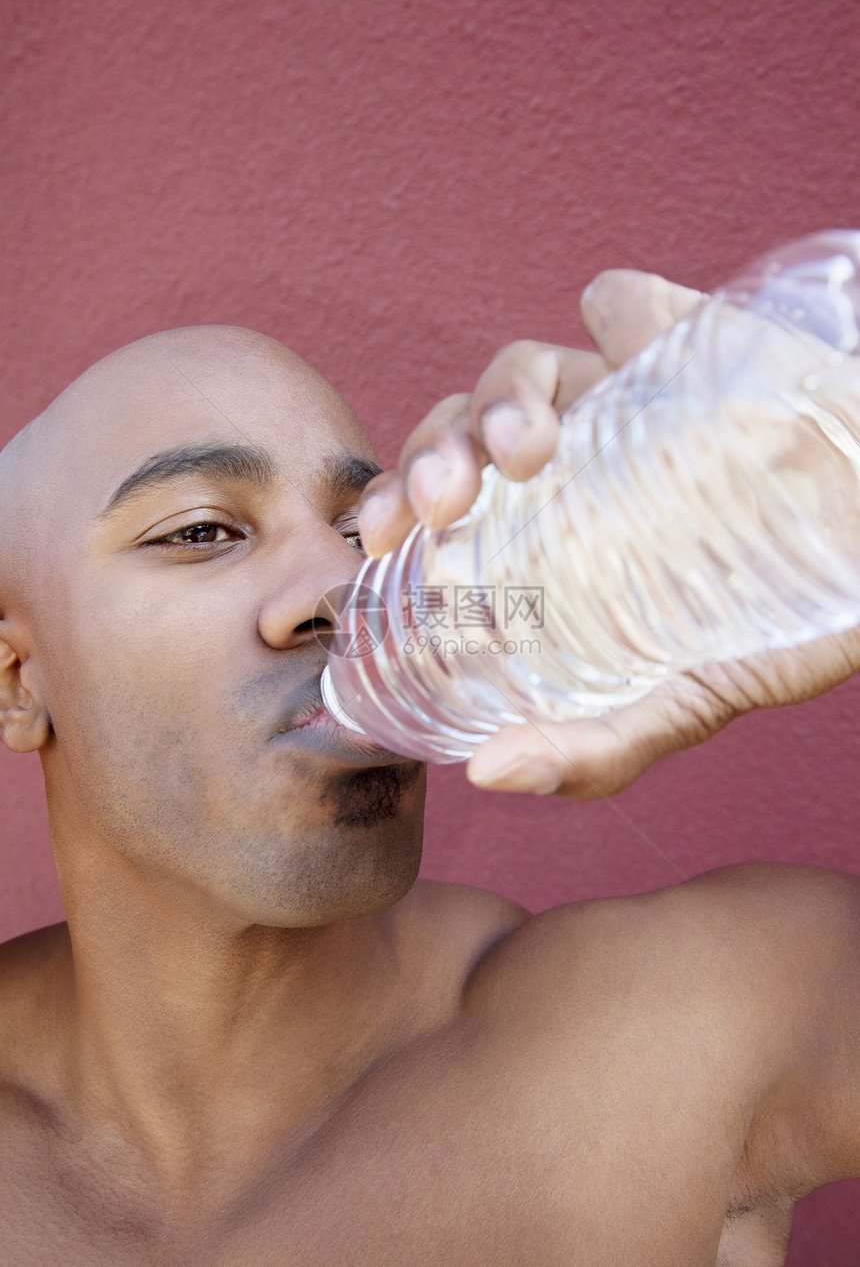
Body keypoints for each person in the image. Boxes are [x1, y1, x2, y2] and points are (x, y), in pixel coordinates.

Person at [0, 270, 858, 1267]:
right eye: (201, 532)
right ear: (17, 679)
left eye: (363, 532)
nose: (339, 590)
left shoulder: (684, 1023)